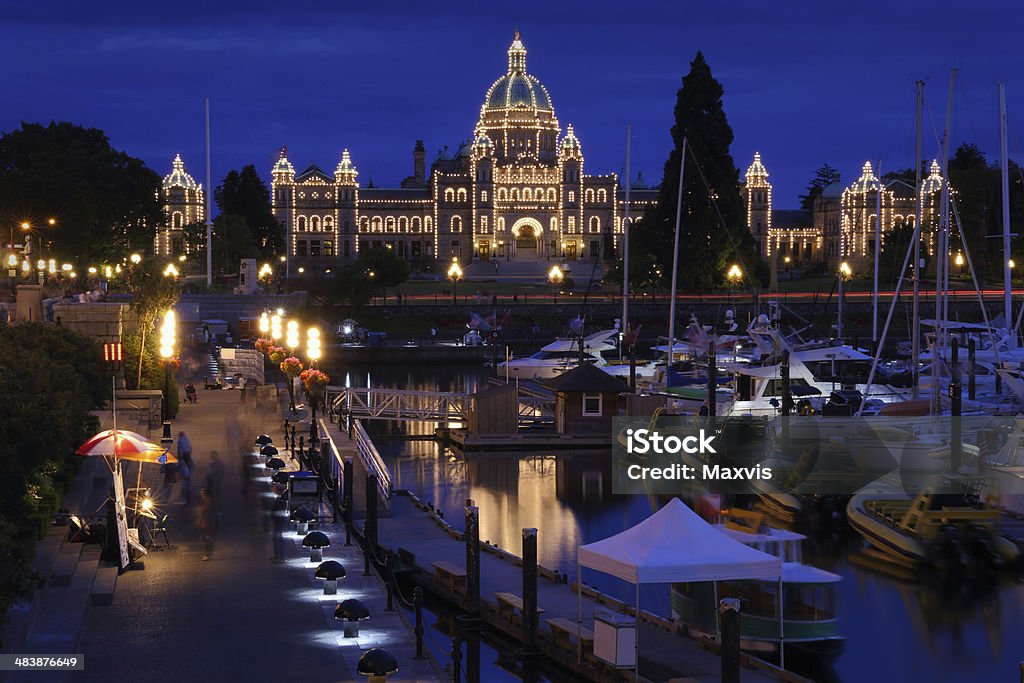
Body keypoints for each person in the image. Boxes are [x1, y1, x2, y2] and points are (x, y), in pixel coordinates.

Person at [194, 488, 216, 561]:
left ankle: (207, 554)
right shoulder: (205, 502)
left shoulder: (209, 503)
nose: (201, 495)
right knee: (206, 539)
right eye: (201, 493)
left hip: (207, 524)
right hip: (204, 524)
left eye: (203, 493)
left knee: (207, 540)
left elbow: (208, 514)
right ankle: (207, 554)